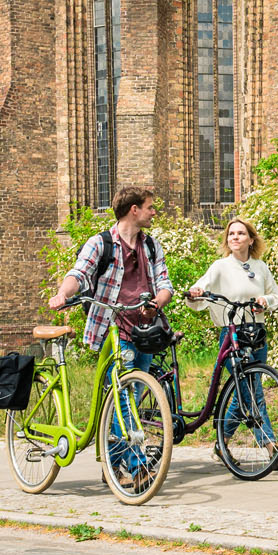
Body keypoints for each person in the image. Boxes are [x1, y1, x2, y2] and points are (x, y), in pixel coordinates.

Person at [49, 186, 174, 483]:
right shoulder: (100, 243)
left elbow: (165, 284)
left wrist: (156, 303)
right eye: (150, 207)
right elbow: (78, 275)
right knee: (125, 396)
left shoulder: (151, 246)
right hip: (112, 328)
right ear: (134, 210)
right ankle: (137, 466)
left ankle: (111, 464)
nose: (153, 212)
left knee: (129, 396)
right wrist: (61, 295)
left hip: (144, 330)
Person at [185, 216, 278, 469]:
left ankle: (221, 444)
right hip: (232, 333)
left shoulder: (260, 267)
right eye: (231, 234)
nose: (235, 237)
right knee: (252, 391)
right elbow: (198, 291)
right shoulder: (220, 266)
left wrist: (266, 301)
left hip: (256, 332)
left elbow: (276, 295)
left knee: (243, 391)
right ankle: (270, 446)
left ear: (250, 239)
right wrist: (195, 293)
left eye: (241, 233)